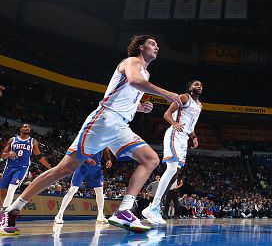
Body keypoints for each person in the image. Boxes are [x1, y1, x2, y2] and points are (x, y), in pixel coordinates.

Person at [0, 35, 183, 235]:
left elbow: (121, 95)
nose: (156, 47)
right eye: (152, 43)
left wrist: (139, 107)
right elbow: (134, 81)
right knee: (63, 169)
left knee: (150, 159)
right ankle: (12, 209)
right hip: (104, 121)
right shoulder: (132, 62)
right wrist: (167, 94)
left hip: (120, 125)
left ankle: (123, 210)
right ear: (141, 46)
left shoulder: (145, 73)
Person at [142, 80, 202, 225]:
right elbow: (167, 114)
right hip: (175, 134)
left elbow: (191, 125)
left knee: (174, 173)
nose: (199, 86)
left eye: (201, 85)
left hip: (184, 139)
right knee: (171, 169)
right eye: (196, 84)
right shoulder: (184, 97)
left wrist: (193, 137)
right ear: (189, 87)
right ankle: (153, 207)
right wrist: (174, 123)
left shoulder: (199, 105)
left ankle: (154, 207)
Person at [0, 124, 52, 212]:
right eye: (25, 127)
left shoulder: (32, 141)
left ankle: (5, 212)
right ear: (20, 129)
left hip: (22, 168)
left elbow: (39, 156)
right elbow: (3, 155)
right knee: (2, 191)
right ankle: (4, 208)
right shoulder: (12, 140)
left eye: (28, 127)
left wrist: (49, 167)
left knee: (12, 188)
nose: (27, 128)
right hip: (9, 167)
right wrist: (9, 153)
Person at [54, 148, 112, 224]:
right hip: (82, 165)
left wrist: (109, 160)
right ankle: (59, 215)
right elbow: (79, 149)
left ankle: (100, 215)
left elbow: (106, 151)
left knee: (99, 191)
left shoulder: (106, 138)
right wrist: (87, 158)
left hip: (96, 167)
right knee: (73, 189)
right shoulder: (88, 136)